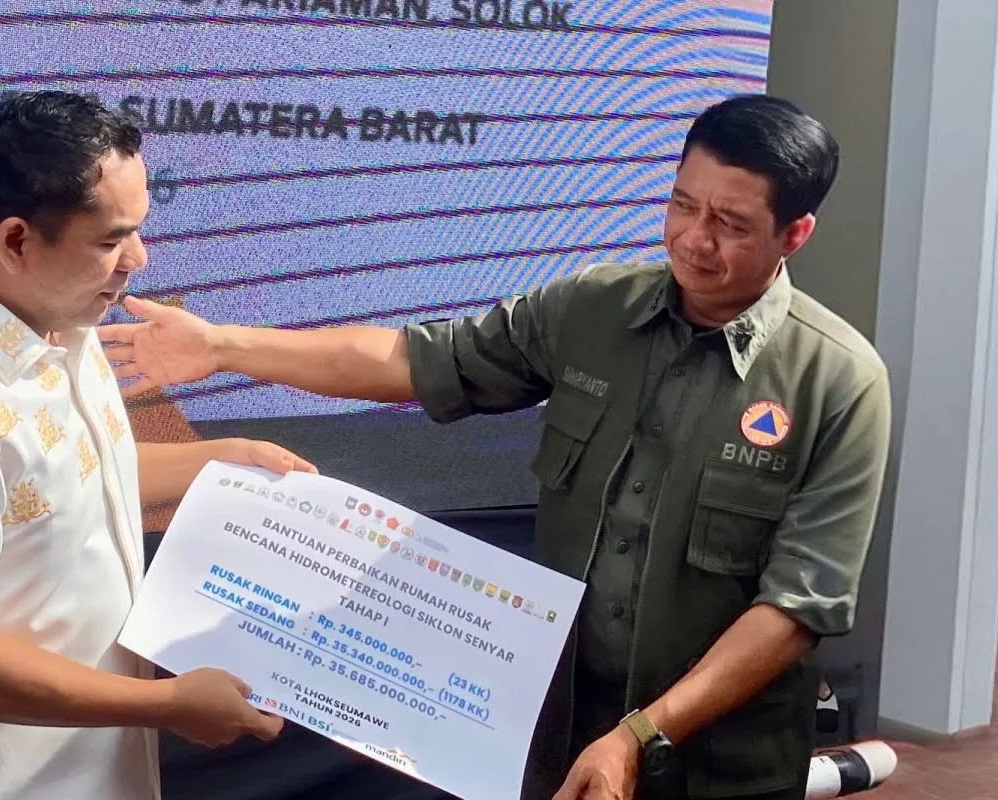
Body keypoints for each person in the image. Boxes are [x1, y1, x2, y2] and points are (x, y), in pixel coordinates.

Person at [99, 93, 892, 800]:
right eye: (683, 204)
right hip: (558, 740)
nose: (693, 239)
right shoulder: (594, 309)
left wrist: (641, 734)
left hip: (721, 765)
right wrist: (223, 346)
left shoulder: (838, 381)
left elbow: (796, 609)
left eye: (731, 224)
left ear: (796, 233)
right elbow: (414, 360)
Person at [0, 90, 317, 800]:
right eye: (112, 240)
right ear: (17, 241)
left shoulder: (57, 321)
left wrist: (220, 461)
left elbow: (62, 486)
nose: (138, 259)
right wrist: (166, 705)